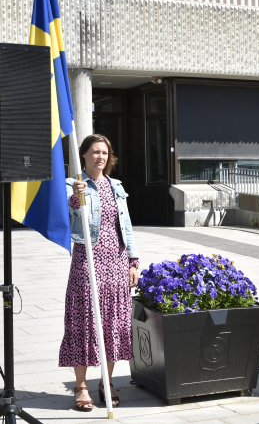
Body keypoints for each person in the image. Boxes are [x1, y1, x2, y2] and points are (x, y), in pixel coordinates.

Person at [60, 134, 139, 411]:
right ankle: (81, 386)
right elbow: (66, 214)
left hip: (116, 262)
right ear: (83, 154)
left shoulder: (116, 186)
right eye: (95, 152)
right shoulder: (72, 184)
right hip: (87, 261)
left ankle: (107, 382)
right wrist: (75, 196)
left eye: (104, 152)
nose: (100, 157)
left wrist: (133, 261)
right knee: (83, 322)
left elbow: (126, 226)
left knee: (113, 324)